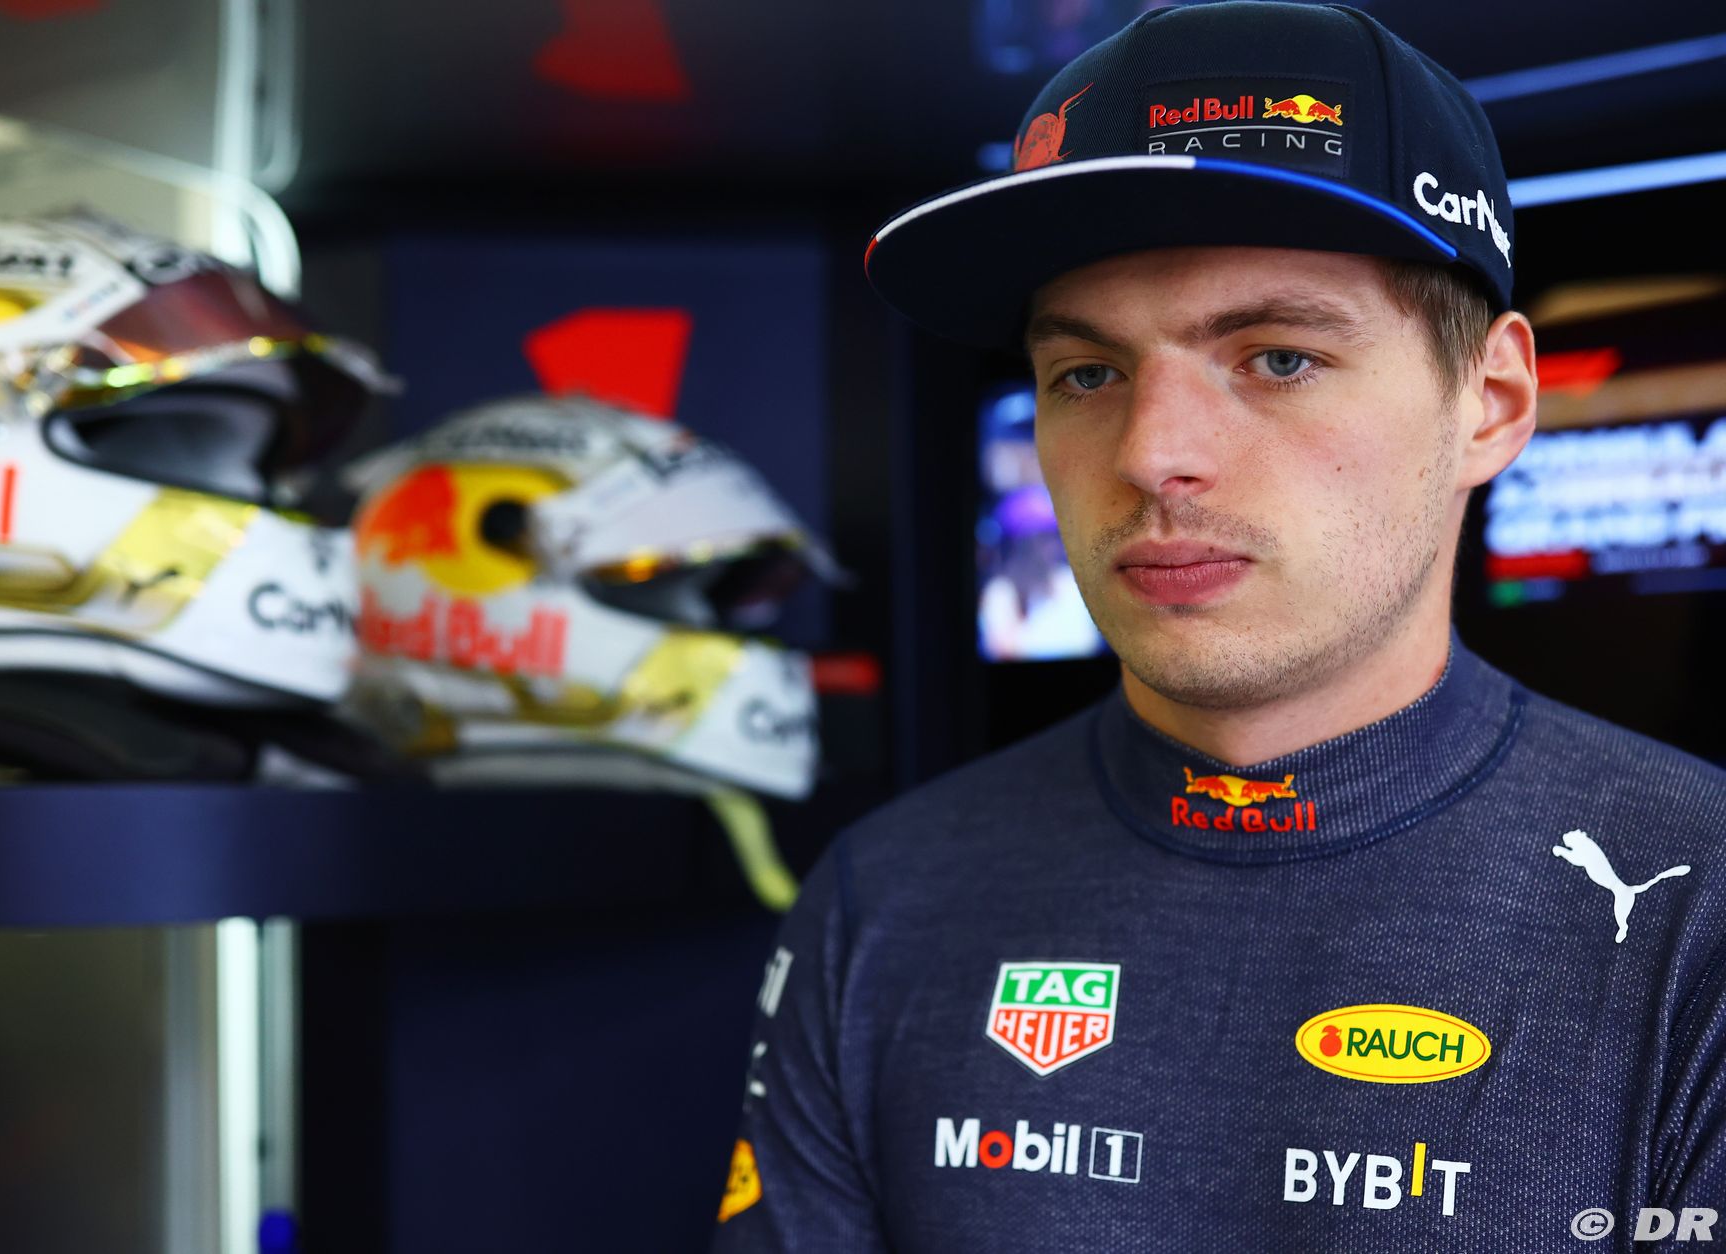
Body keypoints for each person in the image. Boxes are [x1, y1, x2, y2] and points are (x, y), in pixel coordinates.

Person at [711, 4, 1726, 1250]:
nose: (1151, 454)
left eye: (1277, 358)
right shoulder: (885, 898)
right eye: (1088, 374)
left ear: (1493, 404)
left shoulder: (1698, 922)